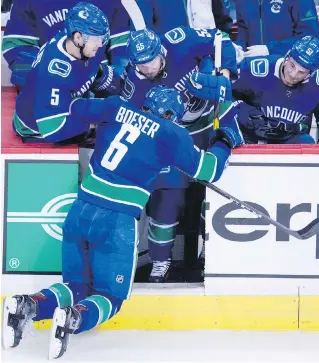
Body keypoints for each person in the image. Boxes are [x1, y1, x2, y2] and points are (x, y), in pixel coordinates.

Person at [2, 85, 244, 359]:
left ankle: (27, 304)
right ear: (171, 115)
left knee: (76, 287)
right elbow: (209, 170)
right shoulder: (172, 134)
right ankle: (73, 319)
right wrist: (225, 140)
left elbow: (75, 107)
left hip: (80, 211)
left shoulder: (116, 106)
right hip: (115, 222)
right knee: (111, 297)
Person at [118, 26, 237, 282]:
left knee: (211, 193)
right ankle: (160, 260)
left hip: (205, 127)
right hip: (171, 140)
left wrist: (225, 73)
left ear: (161, 51)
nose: (147, 69)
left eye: (151, 61)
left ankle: (212, 253)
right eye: (141, 65)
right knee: (166, 200)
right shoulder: (133, 85)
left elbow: (220, 38)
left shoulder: (180, 41)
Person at [12, 2, 124, 143]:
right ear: (78, 37)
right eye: (96, 39)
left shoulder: (74, 42)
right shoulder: (55, 72)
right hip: (36, 126)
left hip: (66, 102)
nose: (101, 44)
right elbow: (53, 129)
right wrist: (94, 125)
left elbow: (92, 69)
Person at [211, 36, 319, 144]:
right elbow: (219, 89)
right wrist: (241, 110)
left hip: (290, 141)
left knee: (307, 142)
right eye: (292, 65)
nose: (293, 74)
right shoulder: (257, 68)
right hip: (250, 137)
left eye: (301, 72)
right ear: (287, 56)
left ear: (311, 74)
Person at [2, 0, 130, 88]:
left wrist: (110, 78)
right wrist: (48, 78)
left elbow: (122, 48)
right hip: (49, 91)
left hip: (98, 93)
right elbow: (17, 48)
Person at [235, 0, 319, 57]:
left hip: (289, 68)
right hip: (254, 67)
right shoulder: (242, 2)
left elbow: (310, 38)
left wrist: (270, 49)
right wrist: (238, 48)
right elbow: (243, 30)